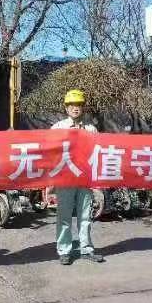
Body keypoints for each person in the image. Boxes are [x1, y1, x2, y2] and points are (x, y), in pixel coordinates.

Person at [51, 89, 104, 265]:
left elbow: (97, 152)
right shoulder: (57, 128)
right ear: (66, 108)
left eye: (79, 105)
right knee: (64, 216)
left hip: (84, 178)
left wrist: (97, 181)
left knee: (85, 215)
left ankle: (86, 248)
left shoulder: (91, 129)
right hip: (65, 178)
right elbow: (50, 151)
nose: (75, 108)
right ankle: (64, 250)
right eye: (72, 105)